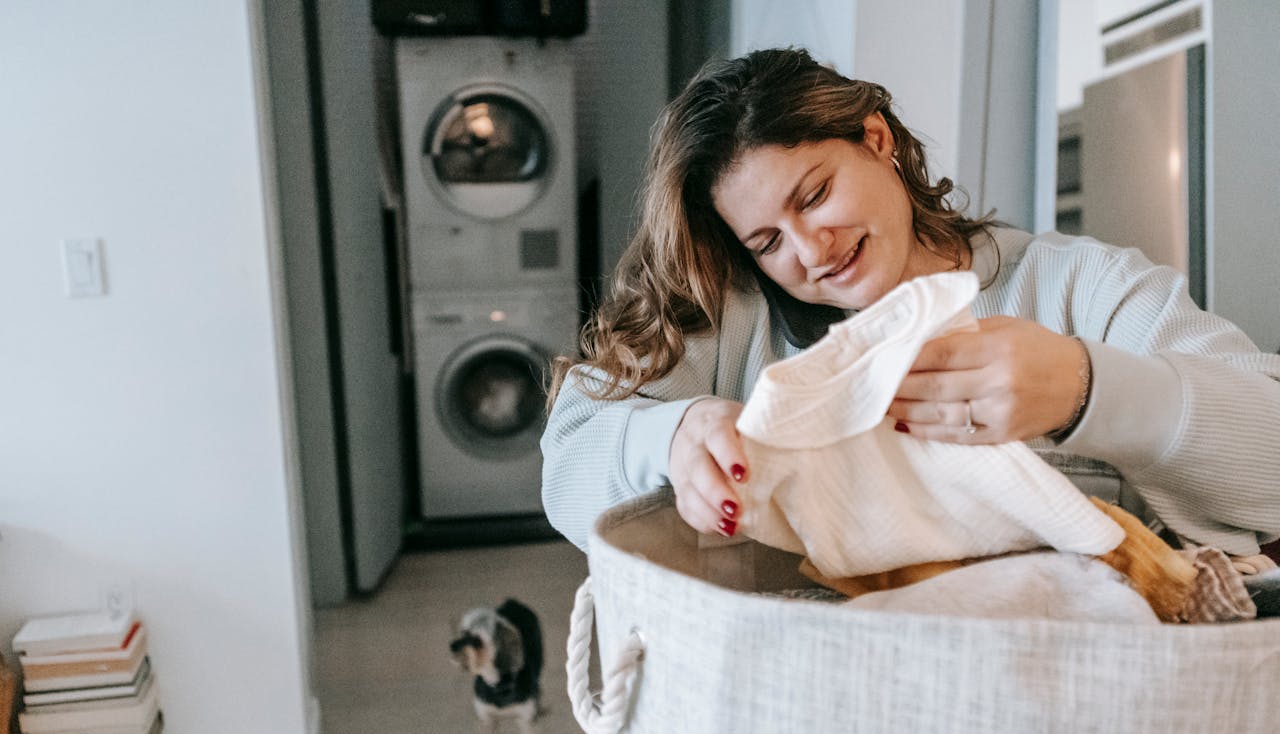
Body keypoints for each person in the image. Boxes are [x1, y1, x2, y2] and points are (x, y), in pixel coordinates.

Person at [541, 47, 1280, 558]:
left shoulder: (1078, 287)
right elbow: (568, 459)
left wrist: (1085, 387)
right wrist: (668, 435)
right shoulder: (733, 315)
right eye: (767, 240)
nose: (810, 251)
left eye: (816, 194)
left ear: (876, 138)